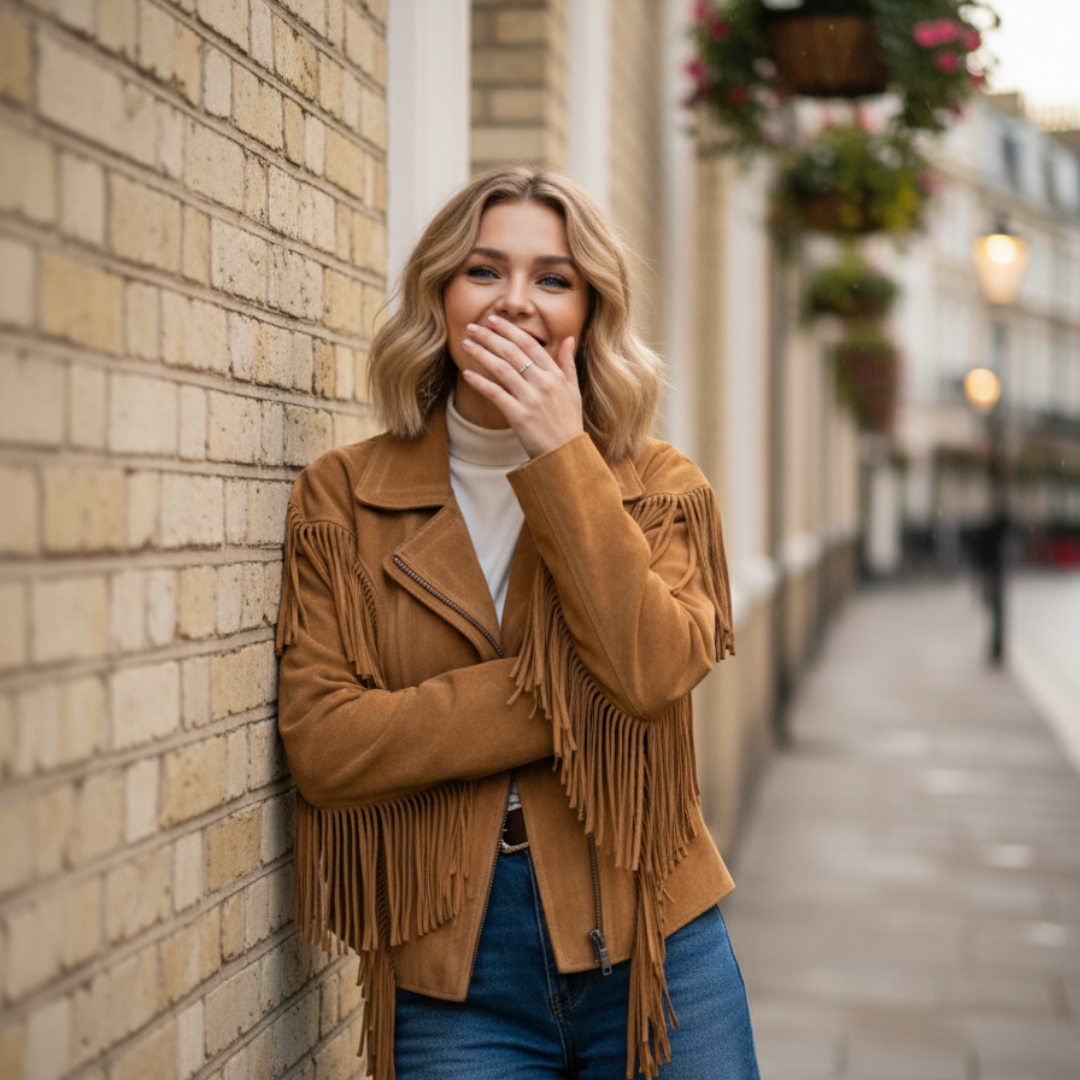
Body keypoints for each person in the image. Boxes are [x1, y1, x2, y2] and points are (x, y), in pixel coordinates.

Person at [276, 166, 759, 1080]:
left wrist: (560, 452)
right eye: (484, 271)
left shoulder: (660, 487)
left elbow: (653, 670)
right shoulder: (344, 495)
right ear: (440, 295)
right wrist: (578, 692)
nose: (516, 303)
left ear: (590, 311)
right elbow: (327, 746)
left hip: (654, 933)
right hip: (455, 965)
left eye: (553, 278)